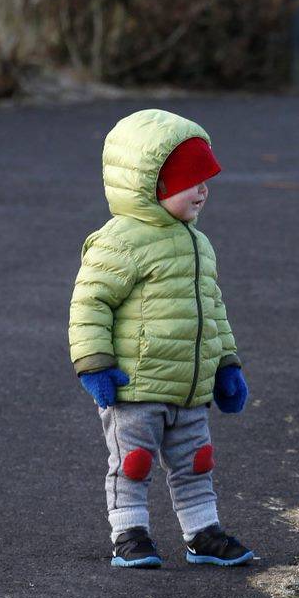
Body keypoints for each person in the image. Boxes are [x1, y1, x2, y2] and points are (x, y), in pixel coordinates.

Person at [69, 109, 253, 568]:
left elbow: (213, 309)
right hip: (135, 385)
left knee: (197, 463)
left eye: (206, 178)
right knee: (132, 464)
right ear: (154, 186)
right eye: (192, 180)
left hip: (189, 388)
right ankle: (129, 534)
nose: (204, 190)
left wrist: (227, 364)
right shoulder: (121, 240)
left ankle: (202, 533)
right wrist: (94, 363)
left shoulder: (198, 243)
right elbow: (89, 303)